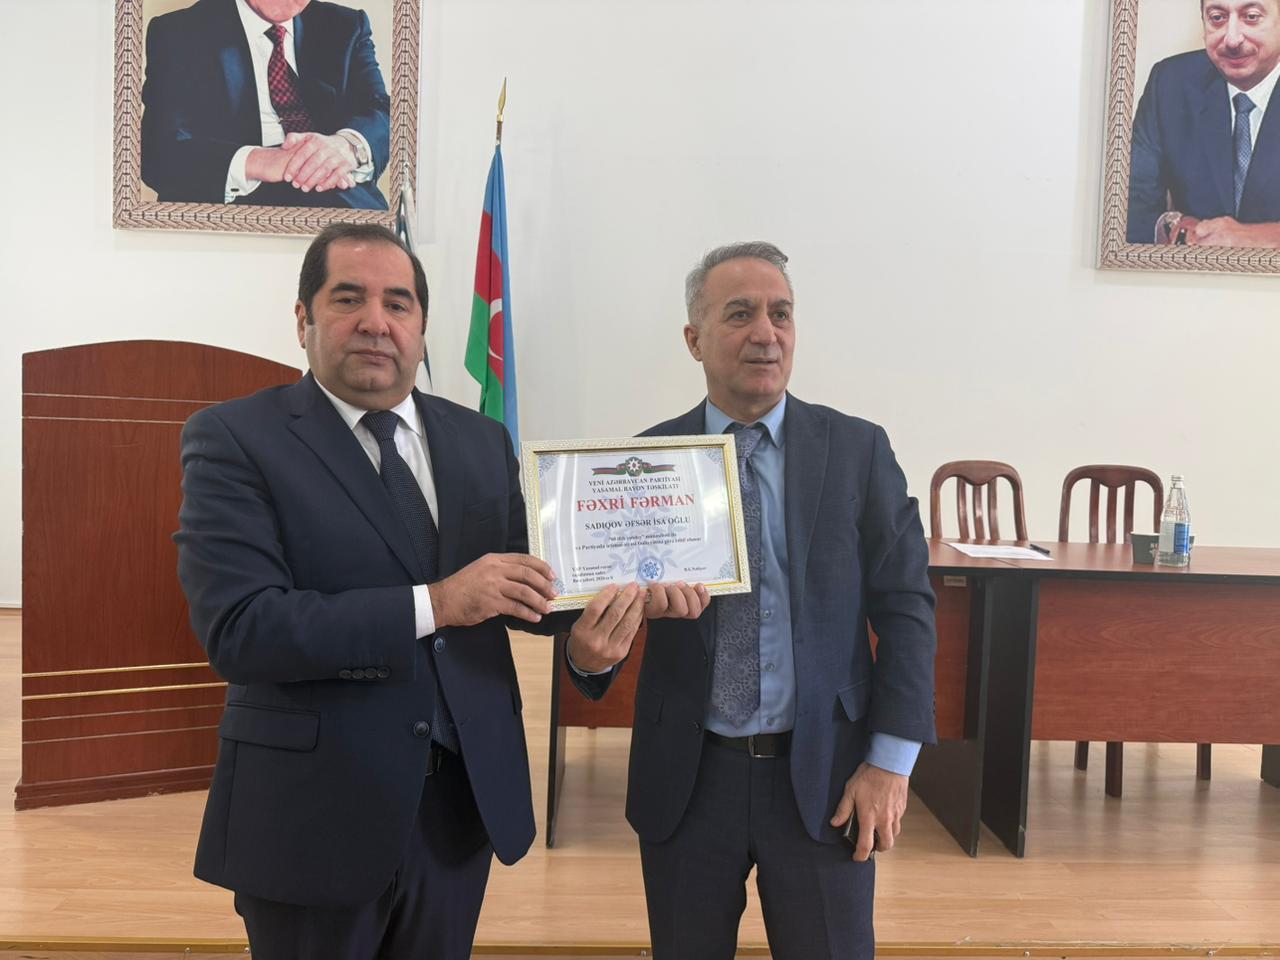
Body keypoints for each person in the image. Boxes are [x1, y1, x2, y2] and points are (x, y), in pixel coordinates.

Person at [175, 222, 701, 960]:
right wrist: (438, 602)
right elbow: (243, 629)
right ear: (302, 319)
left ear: (422, 327)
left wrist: (600, 626)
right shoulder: (235, 439)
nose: (376, 321)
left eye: (398, 303)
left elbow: (526, 588)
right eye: (348, 298)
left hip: (459, 809)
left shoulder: (479, 439)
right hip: (313, 813)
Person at [568, 241, 938, 960]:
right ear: (694, 339)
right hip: (689, 781)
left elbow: (907, 609)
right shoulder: (641, 464)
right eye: (739, 314)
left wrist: (891, 763)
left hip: (826, 777)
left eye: (781, 314)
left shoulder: (858, 450)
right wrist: (589, 656)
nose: (766, 333)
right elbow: (592, 626)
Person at [142, 0, 391, 209]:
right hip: (235, 209)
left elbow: (381, 111)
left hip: (345, 199)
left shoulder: (347, 25)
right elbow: (159, 154)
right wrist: (261, 162)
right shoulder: (178, 32)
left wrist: (347, 147)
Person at [1127, 0, 1280, 245]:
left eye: (1251, 17)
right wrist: (1173, 227)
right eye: (1217, 18)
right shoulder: (1169, 83)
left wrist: (1261, 238)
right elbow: (1128, 206)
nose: (1232, 40)